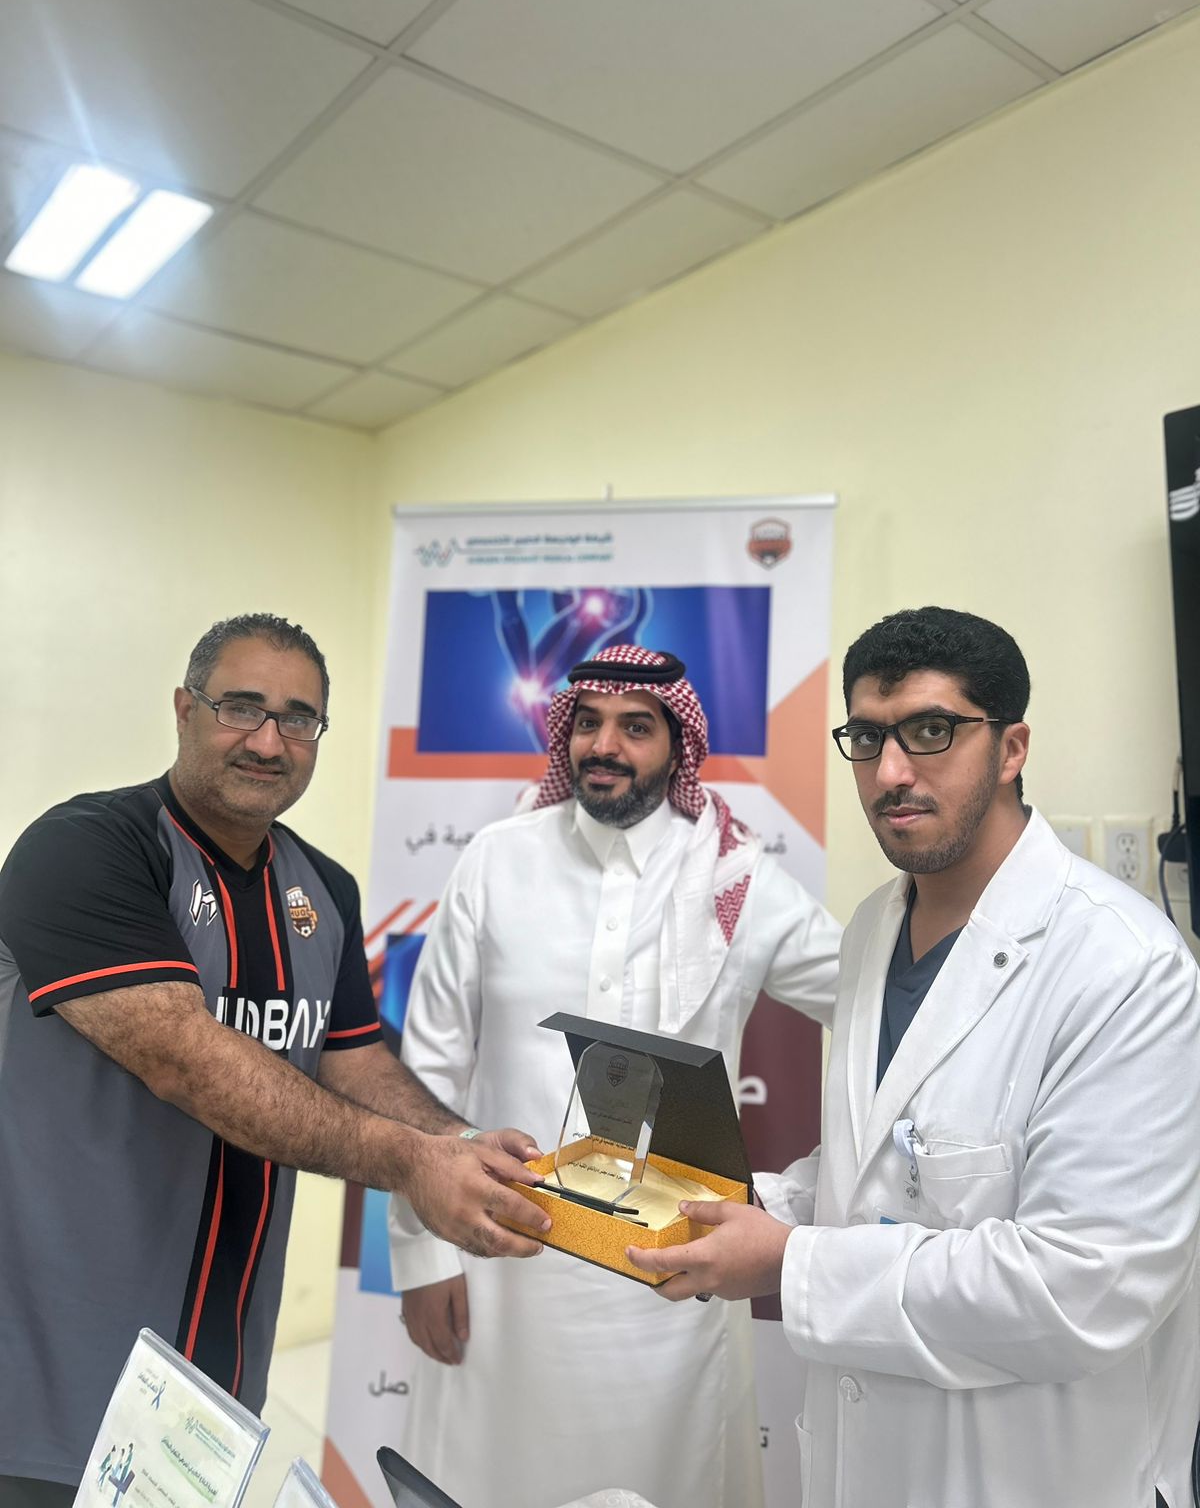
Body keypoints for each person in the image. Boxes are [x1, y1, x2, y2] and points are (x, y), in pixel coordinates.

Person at [627, 607, 1200, 1508]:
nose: (891, 772)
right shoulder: (873, 930)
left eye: (931, 731)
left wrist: (790, 1262)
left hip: (1035, 1475)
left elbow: (1085, 1286)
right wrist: (751, 1209)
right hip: (868, 1463)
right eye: (867, 737)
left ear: (1011, 748)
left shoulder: (1126, 967)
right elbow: (890, 1163)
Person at [0, 613, 549, 1507]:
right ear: (184, 709)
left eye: (298, 719)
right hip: (54, 1365)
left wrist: (461, 1145)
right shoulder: (86, 849)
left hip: (221, 1363)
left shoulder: (324, 888)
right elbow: (185, 1060)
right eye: (240, 707)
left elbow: (353, 1060)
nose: (267, 741)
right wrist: (412, 1164)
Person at [388, 643, 842, 1508]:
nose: (605, 746)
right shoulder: (496, 859)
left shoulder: (736, 877)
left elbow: (871, 1002)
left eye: (636, 728)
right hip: (504, 1262)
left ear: (678, 746)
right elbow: (430, 1065)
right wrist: (420, 1255)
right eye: (589, 723)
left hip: (668, 1280)